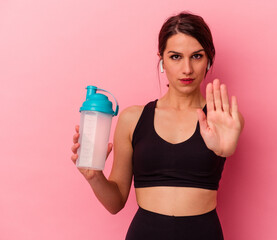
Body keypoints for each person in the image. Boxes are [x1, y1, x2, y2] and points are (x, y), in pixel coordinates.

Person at [71, 11, 244, 240]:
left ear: (209, 59)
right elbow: (115, 204)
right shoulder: (133, 119)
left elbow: (227, 140)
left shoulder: (223, 120)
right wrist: (94, 176)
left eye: (196, 56)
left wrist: (225, 150)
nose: (187, 69)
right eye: (175, 57)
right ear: (161, 59)